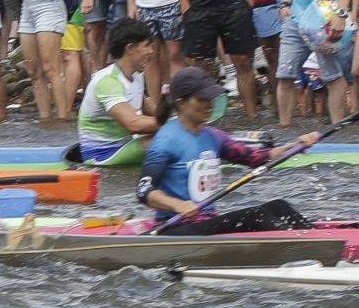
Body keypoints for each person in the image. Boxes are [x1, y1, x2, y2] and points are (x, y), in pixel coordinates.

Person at [138, 66, 319, 236]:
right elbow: (144, 190)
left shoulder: (213, 136)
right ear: (182, 102)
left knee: (279, 206)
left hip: (206, 223)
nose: (210, 105)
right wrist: (177, 205)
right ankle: (304, 246)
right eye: (202, 99)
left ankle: (319, 240)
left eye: (211, 99)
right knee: (257, 215)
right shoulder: (166, 140)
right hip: (176, 227)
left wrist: (294, 146)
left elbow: (258, 158)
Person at [75, 19, 160, 164]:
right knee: (166, 140)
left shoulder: (136, 77)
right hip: (101, 155)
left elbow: (153, 113)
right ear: (130, 48)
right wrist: (177, 124)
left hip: (124, 146)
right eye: (146, 46)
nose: (151, 51)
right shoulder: (108, 82)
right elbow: (133, 124)